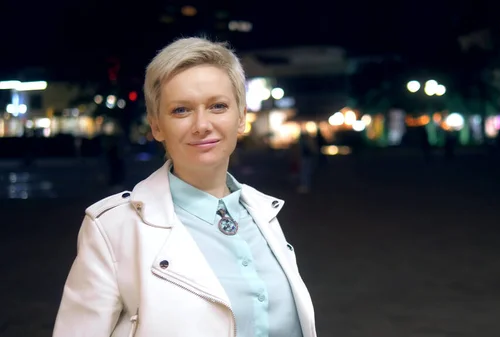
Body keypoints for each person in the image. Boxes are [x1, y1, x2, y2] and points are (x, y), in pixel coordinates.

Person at [53, 37, 317, 337]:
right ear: (156, 126)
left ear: (241, 117)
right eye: (181, 110)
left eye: (218, 106)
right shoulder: (114, 229)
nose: (201, 124)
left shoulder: (263, 214)